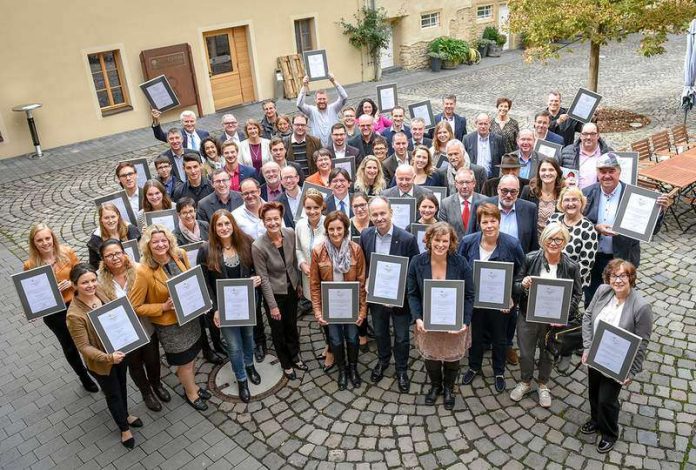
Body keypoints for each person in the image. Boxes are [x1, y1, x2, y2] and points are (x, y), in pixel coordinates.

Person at [129, 225, 211, 411]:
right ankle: (191, 394)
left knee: (192, 357)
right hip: (171, 326)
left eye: (163, 240)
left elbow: (191, 280)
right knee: (185, 362)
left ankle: (194, 386)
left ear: (169, 241)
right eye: (155, 241)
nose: (160, 245)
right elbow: (135, 306)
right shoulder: (143, 271)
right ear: (147, 245)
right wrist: (163, 307)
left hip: (189, 318)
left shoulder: (179, 254)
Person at [66, 263, 142, 449]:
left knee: (122, 385)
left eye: (93, 280)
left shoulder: (100, 292)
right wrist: (109, 358)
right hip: (102, 363)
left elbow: (117, 311)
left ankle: (125, 414)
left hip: (118, 352)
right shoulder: (74, 315)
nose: (91, 285)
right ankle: (124, 429)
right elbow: (84, 347)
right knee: (113, 394)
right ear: (74, 285)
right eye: (85, 282)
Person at [581, 259, 653, 453]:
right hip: (596, 354)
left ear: (631, 278)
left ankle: (609, 432)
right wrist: (587, 348)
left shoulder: (641, 307)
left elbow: (642, 342)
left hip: (618, 362)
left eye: (623, 276)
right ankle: (596, 420)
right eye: (614, 275)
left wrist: (633, 370)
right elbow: (587, 317)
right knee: (593, 391)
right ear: (608, 277)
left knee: (607, 399)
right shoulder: (602, 291)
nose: (618, 280)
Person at [510, 223, 582, 408]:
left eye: (559, 239)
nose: (554, 242)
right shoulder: (529, 258)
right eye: (550, 238)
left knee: (548, 353)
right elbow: (515, 285)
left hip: (553, 321)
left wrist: (564, 315)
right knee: (525, 353)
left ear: (565, 241)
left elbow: (577, 294)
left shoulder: (571, 266)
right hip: (528, 315)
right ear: (544, 239)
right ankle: (525, 382)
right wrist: (523, 284)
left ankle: (543, 385)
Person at [199, 209, 268, 403]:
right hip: (225, 308)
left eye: (227, 223)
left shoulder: (246, 242)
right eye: (219, 225)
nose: (224, 228)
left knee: (248, 337)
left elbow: (257, 268)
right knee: (234, 345)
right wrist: (215, 309)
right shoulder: (206, 250)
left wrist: (256, 277)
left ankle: (250, 365)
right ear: (213, 228)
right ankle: (242, 379)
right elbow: (205, 283)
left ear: (233, 224)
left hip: (247, 303)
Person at [582, 153, 668, 304]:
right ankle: (594, 326)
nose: (607, 175)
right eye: (603, 171)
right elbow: (579, 224)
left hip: (623, 257)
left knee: (621, 301)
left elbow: (652, 231)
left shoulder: (634, 196)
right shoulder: (586, 193)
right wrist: (596, 228)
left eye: (611, 171)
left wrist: (659, 212)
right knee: (592, 300)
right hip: (594, 259)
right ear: (597, 172)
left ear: (619, 171)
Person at [407, 222, 475, 409]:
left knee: (453, 359)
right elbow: (412, 293)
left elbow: (469, 295)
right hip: (428, 323)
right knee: (432, 358)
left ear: (451, 242)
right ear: (429, 240)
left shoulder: (460, 263)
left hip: (455, 323)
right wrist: (418, 318)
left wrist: (465, 321)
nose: (440, 244)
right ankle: (436, 386)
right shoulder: (416, 262)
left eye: (445, 240)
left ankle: (448, 388)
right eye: (437, 240)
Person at [458, 204, 525, 393]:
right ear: (479, 223)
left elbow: (521, 271)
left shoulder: (512, 244)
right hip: (475, 300)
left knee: (500, 338)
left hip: (500, 302)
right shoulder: (468, 242)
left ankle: (498, 371)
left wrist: (511, 296)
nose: (489, 225)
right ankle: (473, 366)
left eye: (493, 221)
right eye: (484, 221)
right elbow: (461, 267)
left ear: (499, 221)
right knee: (476, 336)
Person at [24, 223, 98, 393]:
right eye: (39, 240)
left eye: (47, 238)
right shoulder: (30, 265)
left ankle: (95, 368)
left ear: (53, 238)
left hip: (76, 304)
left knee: (88, 338)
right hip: (54, 312)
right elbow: (33, 294)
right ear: (34, 243)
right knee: (70, 345)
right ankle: (83, 376)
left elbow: (82, 275)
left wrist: (71, 285)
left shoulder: (67, 252)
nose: (44, 243)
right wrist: (33, 307)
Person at [98, 239, 167, 412]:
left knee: (152, 360)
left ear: (124, 253)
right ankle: (146, 393)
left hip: (146, 325)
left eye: (117, 253)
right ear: (103, 259)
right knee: (134, 365)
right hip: (123, 334)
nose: (114, 258)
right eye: (109, 255)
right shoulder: (98, 281)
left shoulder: (139, 270)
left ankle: (157, 384)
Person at [360, 197, 419, 392]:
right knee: (380, 332)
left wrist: (400, 292)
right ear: (370, 216)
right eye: (375, 214)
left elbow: (413, 271)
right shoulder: (366, 235)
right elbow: (365, 265)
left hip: (399, 299)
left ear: (391, 213)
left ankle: (401, 369)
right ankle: (383, 360)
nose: (379, 218)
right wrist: (368, 279)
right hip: (376, 297)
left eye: (382, 213)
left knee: (402, 337)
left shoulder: (407, 239)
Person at [310, 211, 367, 389]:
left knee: (352, 337)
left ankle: (353, 369)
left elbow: (362, 281)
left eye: (339, 229)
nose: (335, 233)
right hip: (330, 306)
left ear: (345, 229)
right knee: (334, 340)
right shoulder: (318, 251)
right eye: (331, 229)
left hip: (350, 305)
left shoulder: (355, 249)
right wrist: (318, 311)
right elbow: (314, 284)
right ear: (326, 230)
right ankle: (342, 370)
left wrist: (362, 311)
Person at [252, 202, 306, 380]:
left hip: (291, 290)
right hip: (274, 294)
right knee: (278, 330)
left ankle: (295, 354)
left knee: (291, 325)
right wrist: (272, 305)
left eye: (276, 218)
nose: (273, 222)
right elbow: (264, 278)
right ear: (263, 221)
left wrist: (298, 284)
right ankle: (285, 363)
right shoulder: (258, 246)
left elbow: (292, 263)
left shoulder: (289, 233)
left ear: (281, 219)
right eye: (268, 219)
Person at [294, 190, 331, 365]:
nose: (312, 211)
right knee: (320, 314)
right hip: (309, 278)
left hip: (328, 279)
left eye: (316, 207)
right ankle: (329, 343)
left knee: (330, 314)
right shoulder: (300, 225)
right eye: (308, 207)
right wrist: (302, 263)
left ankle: (332, 348)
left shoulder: (329, 224)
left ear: (322, 206)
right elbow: (298, 249)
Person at [547, 186, 598, 290]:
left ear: (581, 202)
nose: (570, 204)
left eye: (574, 199)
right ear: (561, 203)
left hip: (571, 283)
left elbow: (586, 264)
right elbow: (543, 246)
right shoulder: (553, 219)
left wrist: (562, 279)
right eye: (566, 200)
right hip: (548, 276)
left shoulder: (588, 228)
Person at [297, 73, 349, 146]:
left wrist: (333, 81)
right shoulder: (311, 111)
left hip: (334, 147)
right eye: (319, 99)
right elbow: (299, 104)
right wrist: (304, 86)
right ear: (315, 100)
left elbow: (344, 97)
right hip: (318, 148)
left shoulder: (334, 108)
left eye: (324, 98)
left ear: (327, 99)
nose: (322, 101)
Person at [558, 122, 613, 189]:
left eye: (592, 134)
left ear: (598, 136)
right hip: (574, 197)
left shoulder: (608, 154)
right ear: (581, 136)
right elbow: (556, 175)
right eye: (585, 134)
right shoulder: (566, 152)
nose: (588, 137)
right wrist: (563, 182)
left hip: (598, 196)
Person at [87, 203, 140, 269]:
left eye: (113, 217)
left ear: (118, 216)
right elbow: (95, 266)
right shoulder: (96, 241)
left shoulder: (131, 230)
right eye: (106, 218)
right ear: (101, 219)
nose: (111, 221)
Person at [521, 158, 564, 237]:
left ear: (557, 172)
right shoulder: (528, 191)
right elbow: (521, 217)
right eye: (543, 170)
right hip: (532, 240)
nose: (547, 173)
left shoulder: (564, 193)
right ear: (538, 173)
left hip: (556, 240)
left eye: (551, 170)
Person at [438, 168, 484, 241]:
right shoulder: (446, 204)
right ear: (456, 184)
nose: (464, 186)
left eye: (467, 182)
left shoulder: (485, 202)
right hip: (454, 249)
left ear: (474, 183)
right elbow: (443, 231)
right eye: (461, 182)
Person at [463, 113, 505, 177]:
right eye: (480, 124)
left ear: (489, 124)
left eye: (485, 124)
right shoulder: (467, 139)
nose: (483, 126)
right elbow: (463, 159)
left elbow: (502, 160)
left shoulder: (498, 139)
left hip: (491, 179)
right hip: (472, 178)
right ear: (476, 124)